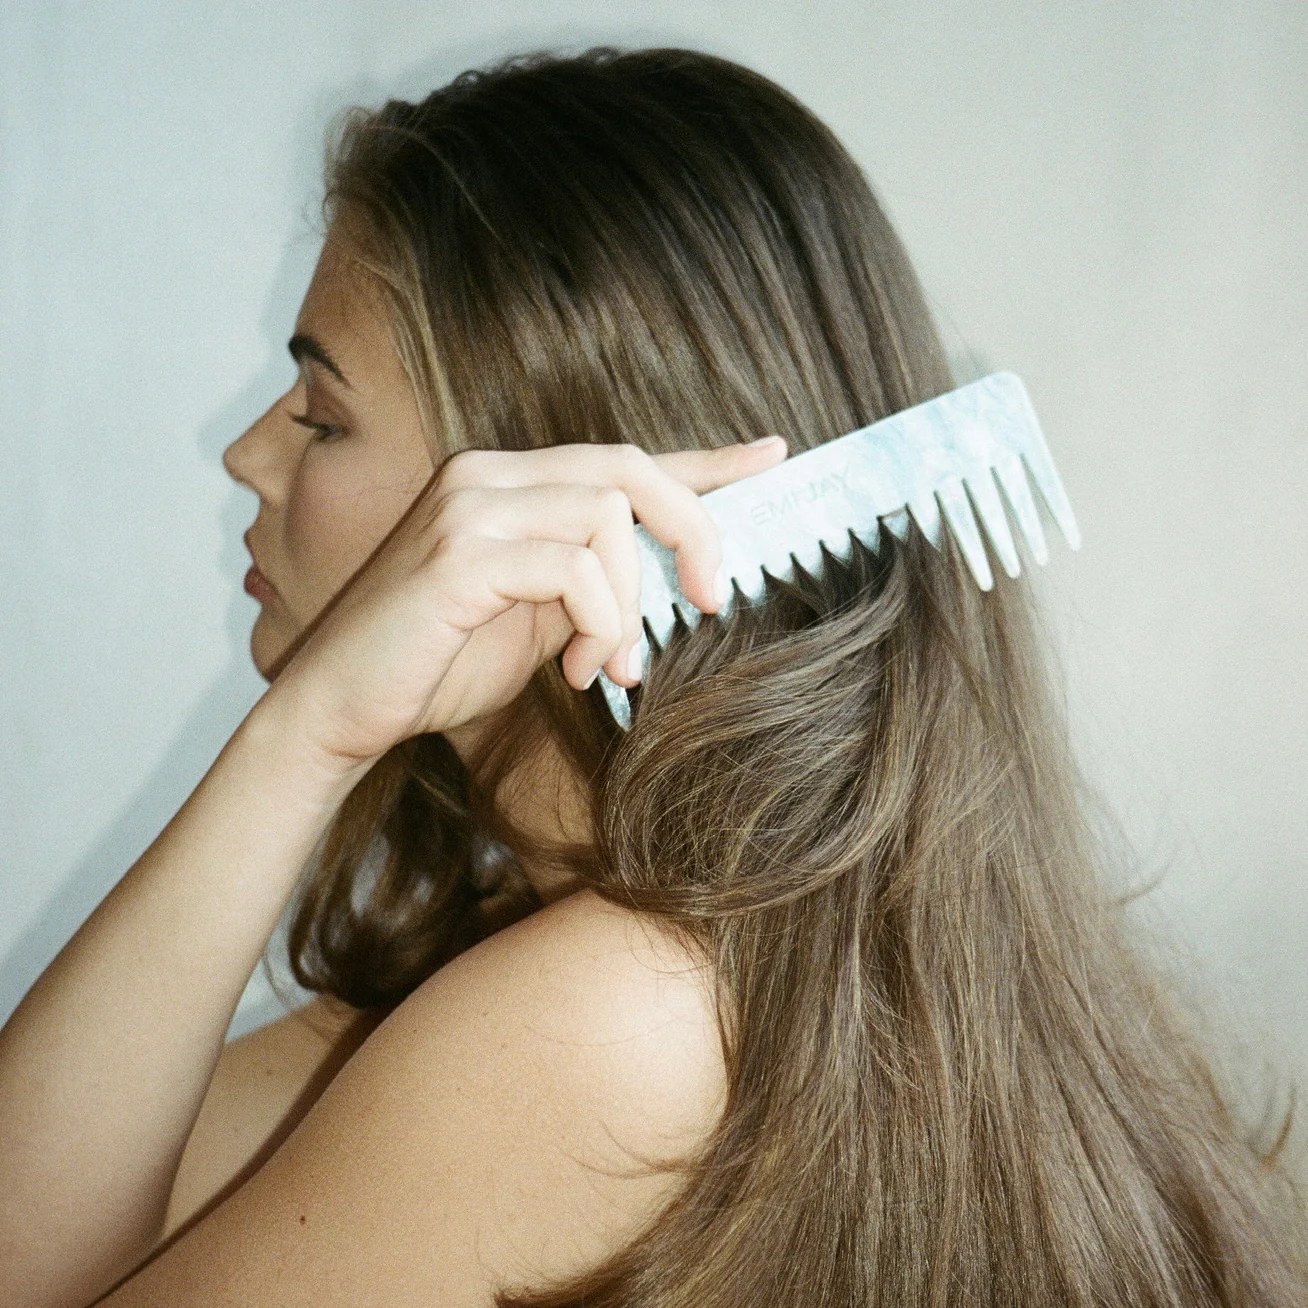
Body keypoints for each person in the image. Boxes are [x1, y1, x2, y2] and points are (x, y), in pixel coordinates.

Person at [0, 46, 1304, 1308]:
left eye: (323, 416)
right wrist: (305, 739)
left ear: (566, 494)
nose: (245, 454)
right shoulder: (576, 967)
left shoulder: (605, 1023)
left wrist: (308, 738)